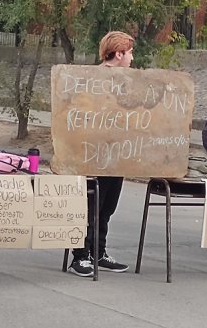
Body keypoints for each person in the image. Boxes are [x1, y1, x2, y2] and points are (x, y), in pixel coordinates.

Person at [68, 31, 134, 277]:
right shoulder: (92, 81)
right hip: (92, 155)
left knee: (106, 207)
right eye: (129, 53)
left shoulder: (127, 83)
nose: (132, 58)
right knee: (88, 206)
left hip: (116, 155)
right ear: (119, 54)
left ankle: (99, 251)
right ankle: (80, 255)